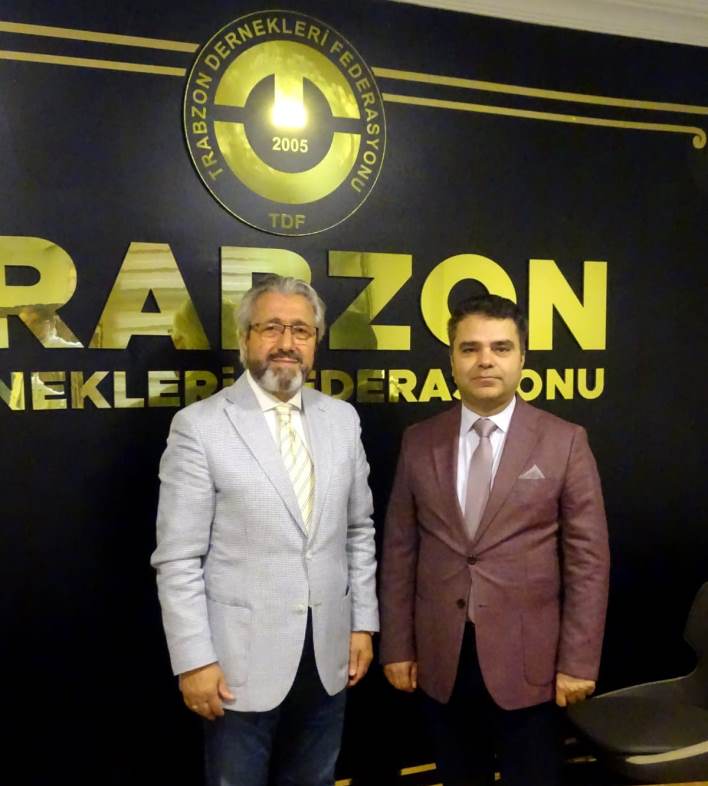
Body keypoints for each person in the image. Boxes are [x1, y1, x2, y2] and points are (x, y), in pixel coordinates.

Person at [151, 275, 378, 786]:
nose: (286, 343)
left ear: (315, 342)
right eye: (271, 327)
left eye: (301, 330)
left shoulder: (342, 420)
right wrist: (194, 660)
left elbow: (358, 530)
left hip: (328, 655)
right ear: (245, 338)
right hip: (237, 666)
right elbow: (178, 558)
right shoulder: (200, 426)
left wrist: (363, 623)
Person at [379, 294, 609, 786]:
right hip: (441, 659)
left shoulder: (565, 441)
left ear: (522, 357)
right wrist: (396, 646)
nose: (485, 360)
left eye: (501, 348)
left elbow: (588, 562)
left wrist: (578, 662)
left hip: (532, 664)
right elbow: (400, 552)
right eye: (471, 348)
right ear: (452, 359)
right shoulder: (419, 440)